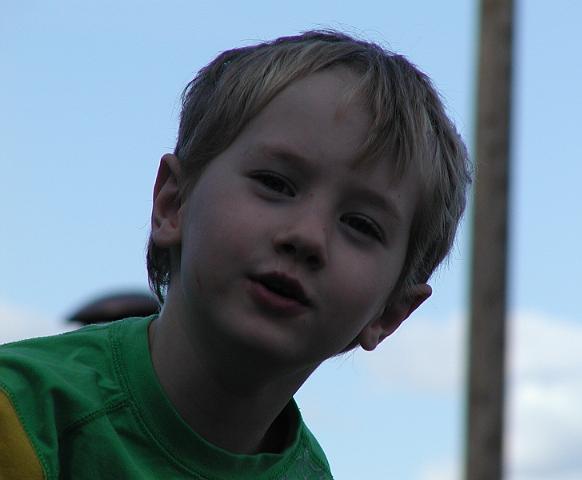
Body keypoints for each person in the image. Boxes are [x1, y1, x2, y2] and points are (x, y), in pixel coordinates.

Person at [0, 30, 471, 479]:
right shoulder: (22, 416)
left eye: (361, 225)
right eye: (275, 183)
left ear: (390, 313)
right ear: (173, 204)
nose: (307, 237)